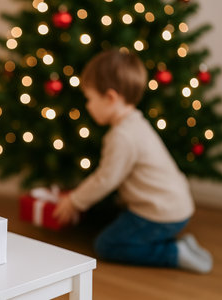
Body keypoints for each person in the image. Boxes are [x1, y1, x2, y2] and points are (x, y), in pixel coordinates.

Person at [53, 49, 212, 273]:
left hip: (160, 213)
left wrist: (74, 201)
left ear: (110, 97)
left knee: (107, 245)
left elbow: (105, 179)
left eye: (89, 99)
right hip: (174, 206)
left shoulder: (122, 136)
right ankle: (179, 244)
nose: (87, 106)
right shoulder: (136, 124)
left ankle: (175, 253)